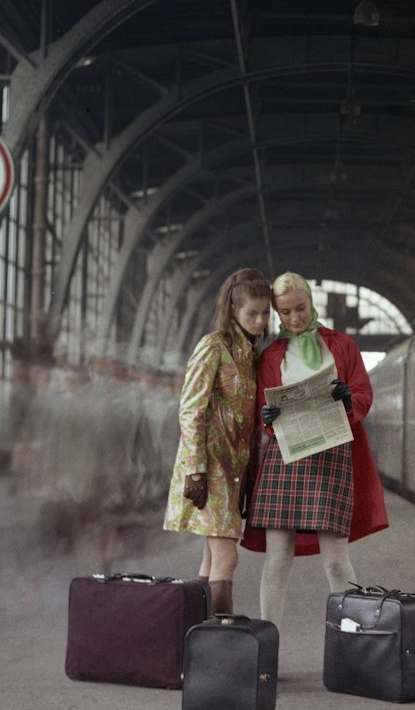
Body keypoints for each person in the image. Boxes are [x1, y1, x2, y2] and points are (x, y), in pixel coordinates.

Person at [244, 273, 387, 630]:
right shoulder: (272, 355)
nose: (295, 318)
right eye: (286, 312)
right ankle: (268, 641)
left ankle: (354, 640)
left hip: (333, 454)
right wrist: (267, 417)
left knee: (336, 561)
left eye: (301, 308)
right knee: (277, 559)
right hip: (284, 456)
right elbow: (262, 406)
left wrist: (349, 398)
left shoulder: (342, 345)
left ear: (311, 302)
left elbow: (364, 393)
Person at [165, 268, 272, 618]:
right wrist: (195, 471)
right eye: (251, 313)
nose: (260, 320)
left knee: (213, 557)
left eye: (265, 313)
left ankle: (197, 636)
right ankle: (222, 638)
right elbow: (190, 408)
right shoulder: (213, 346)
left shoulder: (250, 355)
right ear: (232, 312)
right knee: (227, 556)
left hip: (232, 468)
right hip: (209, 467)